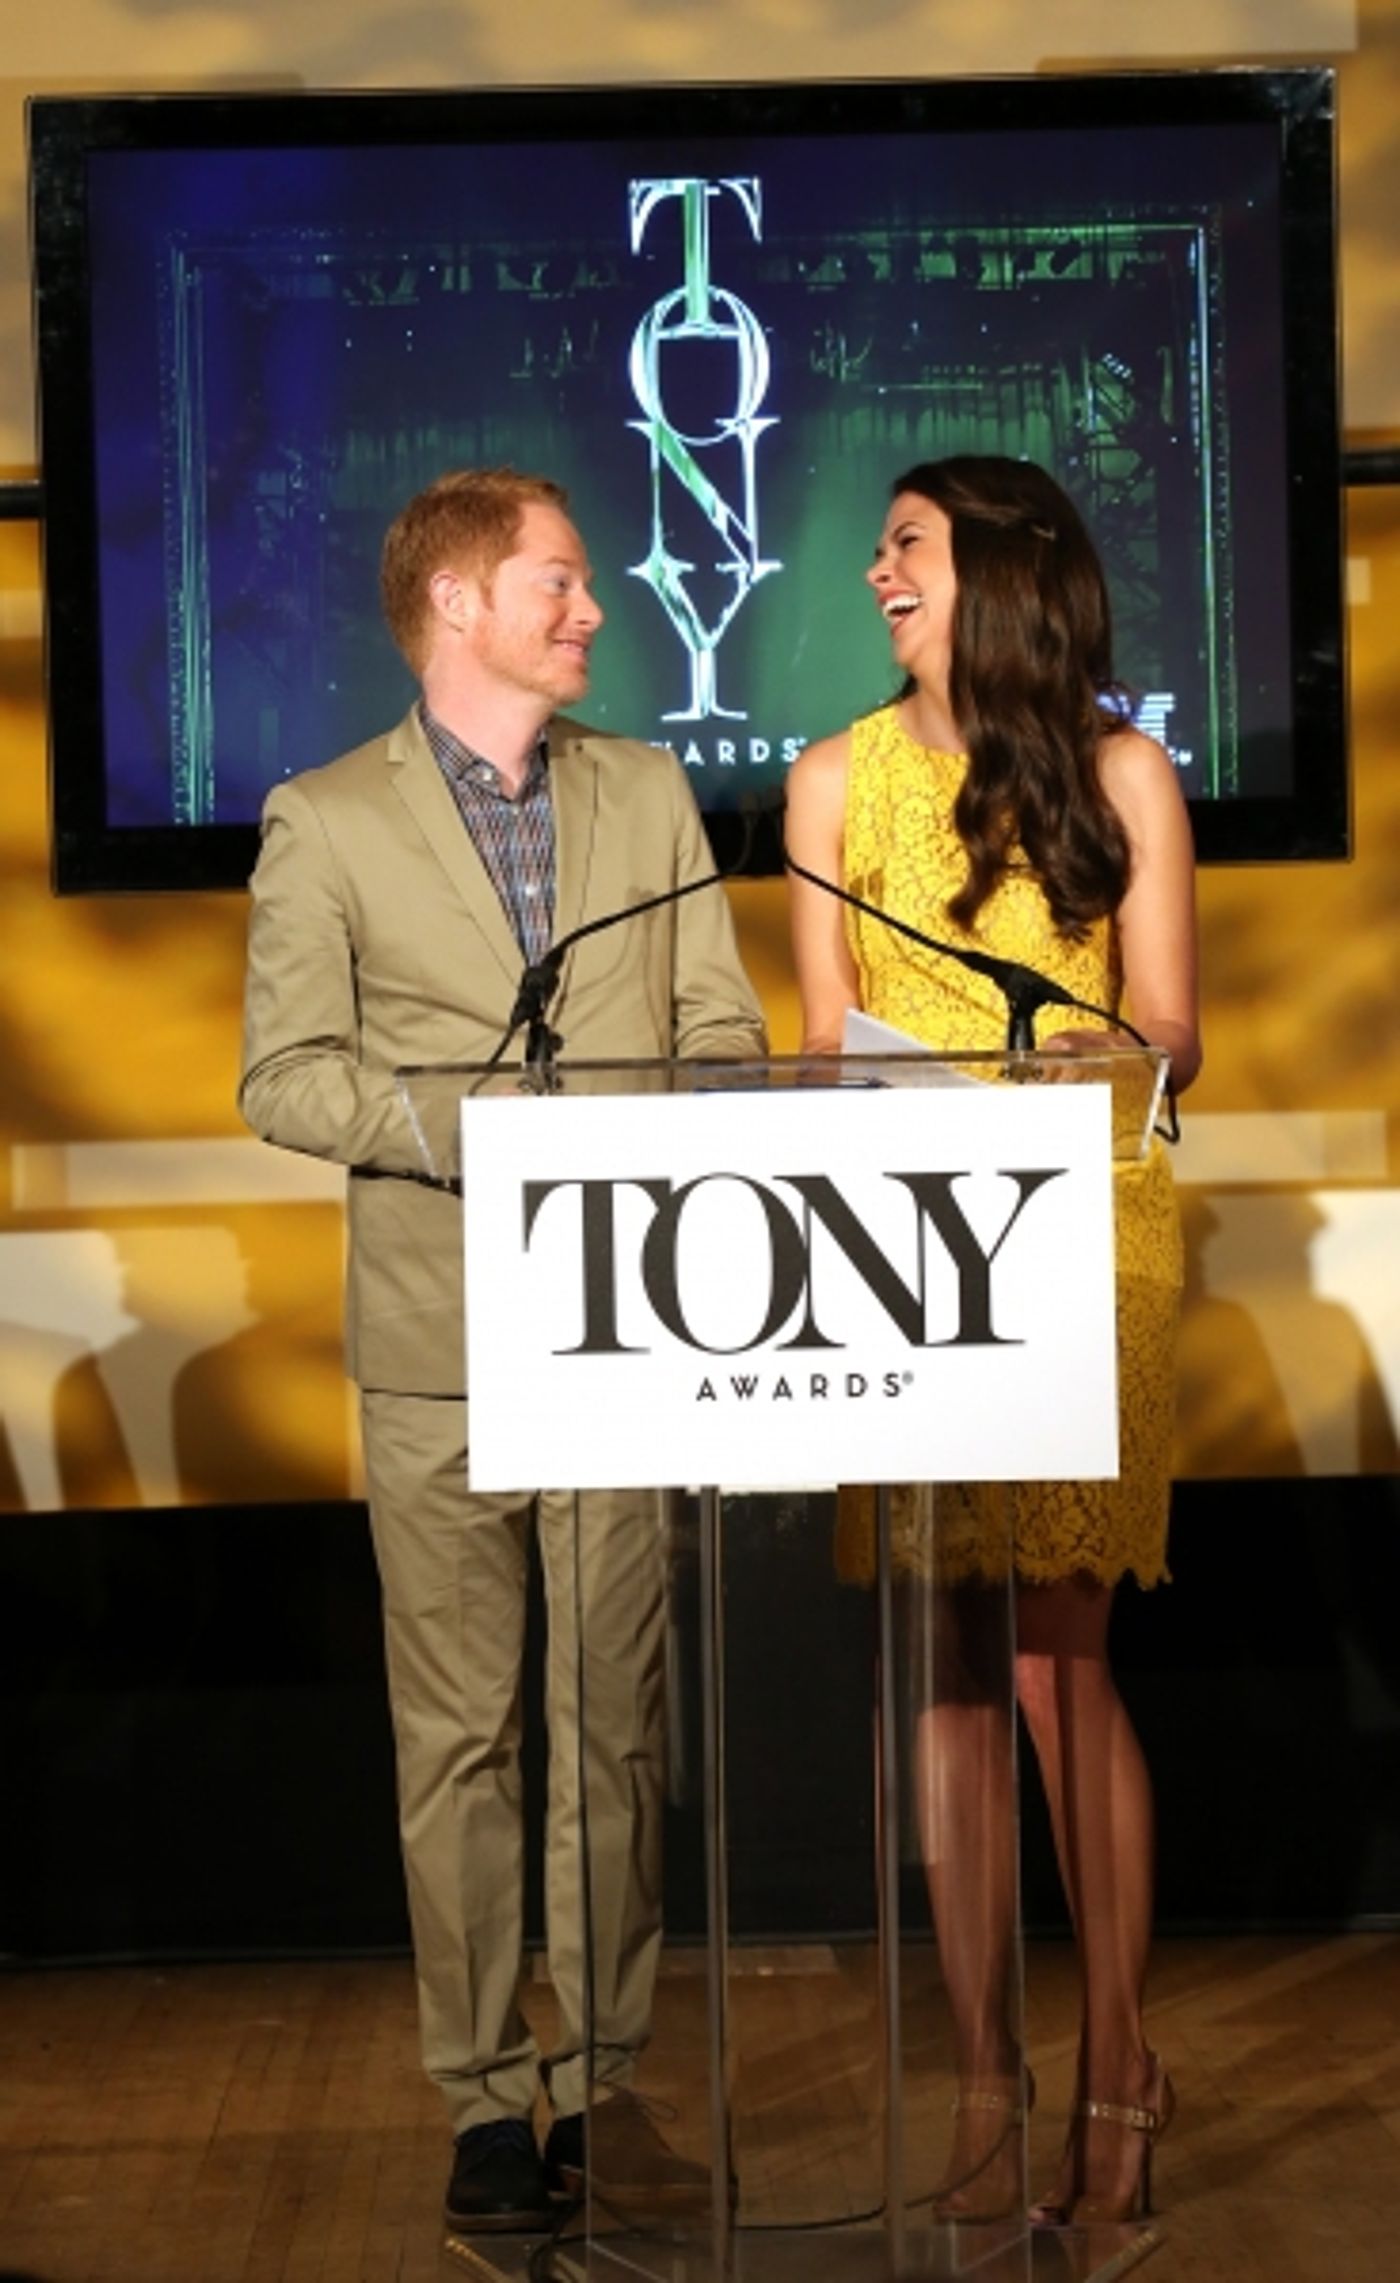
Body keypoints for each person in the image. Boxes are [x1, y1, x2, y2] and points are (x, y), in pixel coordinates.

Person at [239, 468, 767, 2233]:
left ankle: (601, 2081)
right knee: (460, 1736)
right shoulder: (325, 819)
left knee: (615, 1727)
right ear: (458, 603)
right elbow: (283, 1076)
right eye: (561, 581)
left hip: (626, 1329)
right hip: (440, 1341)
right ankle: (481, 2096)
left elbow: (719, 1025)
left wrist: (676, 1124)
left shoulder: (648, 790)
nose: (594, 609)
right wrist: (488, 1132)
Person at [785, 455, 1201, 2227]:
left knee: (1053, 1668)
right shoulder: (830, 781)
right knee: (948, 1671)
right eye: (883, 548)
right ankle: (981, 2080)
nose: (879, 572)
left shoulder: (1122, 773)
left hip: (1083, 1242)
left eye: (910, 546)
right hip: (905, 1253)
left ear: (1006, 572)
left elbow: (1176, 1028)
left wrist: (1114, 1055)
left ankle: (1117, 2067)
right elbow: (824, 1036)